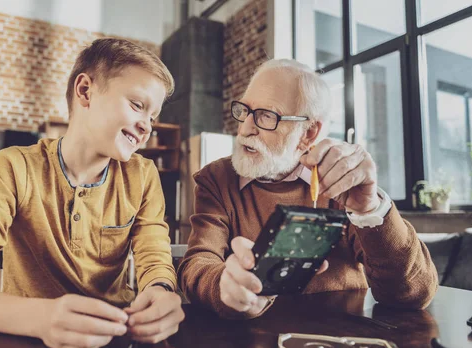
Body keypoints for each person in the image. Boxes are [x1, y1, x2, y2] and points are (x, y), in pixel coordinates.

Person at [0, 38, 184, 348]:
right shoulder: (12, 167)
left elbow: (155, 259)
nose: (147, 127)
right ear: (85, 91)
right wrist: (42, 318)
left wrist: (161, 291)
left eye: (152, 116)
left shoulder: (143, 175)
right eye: (137, 105)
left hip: (115, 345)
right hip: (27, 344)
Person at [178, 59, 438, 318]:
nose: (245, 128)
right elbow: (198, 262)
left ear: (309, 133)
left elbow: (412, 293)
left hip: (342, 341)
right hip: (250, 345)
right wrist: (223, 286)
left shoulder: (339, 181)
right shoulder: (216, 178)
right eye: (244, 110)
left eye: (267, 116)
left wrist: (369, 209)